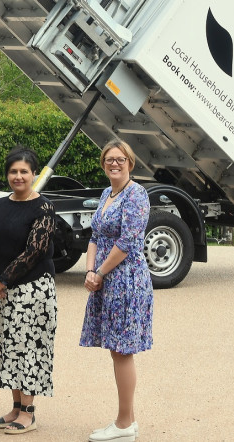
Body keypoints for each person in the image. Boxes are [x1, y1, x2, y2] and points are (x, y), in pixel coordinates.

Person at [0, 147, 56, 436]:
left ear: (34, 174)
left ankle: (28, 412)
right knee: (7, 349)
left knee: (26, 349)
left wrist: (1, 281)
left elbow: (35, 251)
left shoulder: (43, 208)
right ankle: (15, 407)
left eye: (24, 171)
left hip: (32, 291)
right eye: (13, 171)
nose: (18, 176)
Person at [80, 139, 153, 442]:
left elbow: (127, 242)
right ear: (103, 163)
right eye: (109, 159)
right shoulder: (106, 194)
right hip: (105, 279)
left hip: (127, 281)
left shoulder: (137, 195)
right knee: (116, 349)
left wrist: (99, 272)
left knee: (122, 351)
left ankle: (124, 425)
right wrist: (88, 270)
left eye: (120, 159)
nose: (114, 164)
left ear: (130, 163)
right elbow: (95, 235)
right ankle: (127, 421)